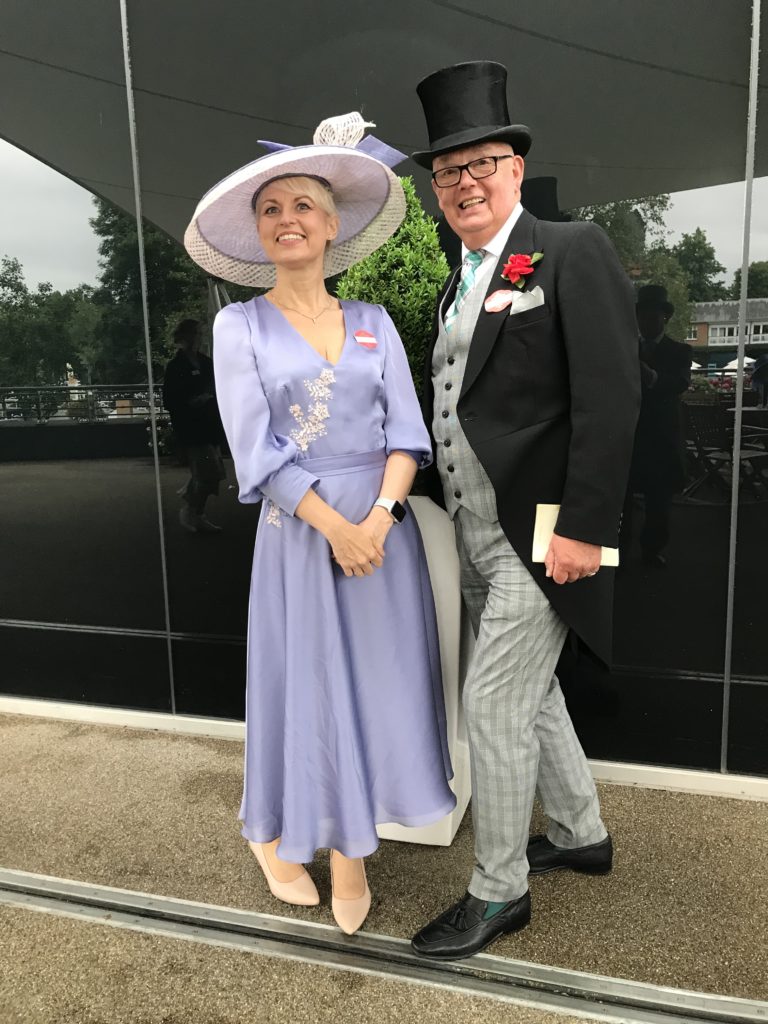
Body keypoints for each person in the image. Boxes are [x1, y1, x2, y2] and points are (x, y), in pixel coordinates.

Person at [184, 113, 455, 935]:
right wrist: (337, 530)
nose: (288, 219)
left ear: (332, 225)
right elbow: (255, 453)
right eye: (271, 210)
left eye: (303, 204)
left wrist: (377, 517)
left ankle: (342, 843)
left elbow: (409, 436)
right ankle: (290, 839)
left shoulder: (373, 322)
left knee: (376, 687)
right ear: (260, 234)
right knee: (306, 690)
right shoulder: (239, 328)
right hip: (301, 537)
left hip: (384, 536)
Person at [409, 61, 640, 960]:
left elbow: (613, 399)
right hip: (473, 529)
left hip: (541, 536)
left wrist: (587, 528)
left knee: (493, 707)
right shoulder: (455, 279)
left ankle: (498, 893)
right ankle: (581, 832)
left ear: (514, 166)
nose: (465, 183)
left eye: (481, 165)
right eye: (447, 172)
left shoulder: (569, 249)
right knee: (530, 692)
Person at [621, 285, 692, 567]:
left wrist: (647, 374)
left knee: (659, 503)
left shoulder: (680, 350)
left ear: (665, 318)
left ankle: (652, 551)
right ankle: (620, 555)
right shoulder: (626, 348)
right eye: (642, 316)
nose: (647, 321)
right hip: (630, 437)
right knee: (623, 503)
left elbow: (679, 384)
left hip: (662, 438)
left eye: (653, 316)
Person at [162, 318, 226, 533]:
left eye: (200, 333)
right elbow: (170, 400)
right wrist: (190, 403)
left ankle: (193, 507)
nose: (198, 338)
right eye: (196, 334)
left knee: (211, 472)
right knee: (210, 471)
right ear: (185, 337)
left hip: (210, 425)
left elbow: (219, 387)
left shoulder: (206, 363)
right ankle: (192, 509)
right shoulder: (176, 367)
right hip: (191, 427)